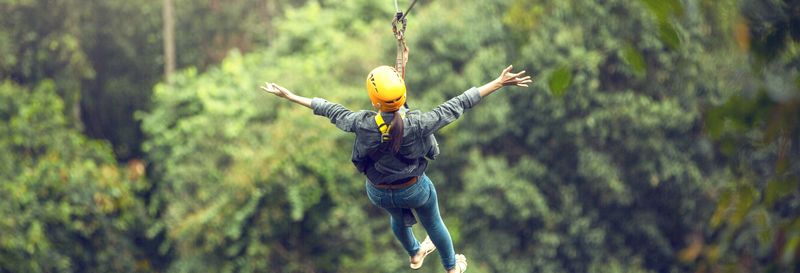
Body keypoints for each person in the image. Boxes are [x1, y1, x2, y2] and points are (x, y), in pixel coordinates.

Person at [260, 65, 531, 273]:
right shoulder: (420, 123)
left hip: (377, 191)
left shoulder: (362, 123)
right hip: (414, 189)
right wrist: (497, 82)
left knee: (396, 216)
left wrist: (290, 96)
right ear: (403, 97)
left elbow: (330, 109)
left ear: (375, 101)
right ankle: (451, 267)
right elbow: (458, 103)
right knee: (433, 222)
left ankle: (414, 252)